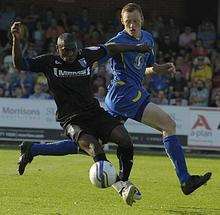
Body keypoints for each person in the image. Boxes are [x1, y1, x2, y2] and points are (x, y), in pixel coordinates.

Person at [16, 3, 211, 197]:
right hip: (124, 95)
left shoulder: (149, 39)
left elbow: (143, 68)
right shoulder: (119, 40)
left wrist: (157, 69)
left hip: (126, 96)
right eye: (128, 22)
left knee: (91, 145)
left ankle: (33, 149)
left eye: (135, 21)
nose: (132, 25)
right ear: (122, 22)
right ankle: (183, 179)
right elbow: (110, 50)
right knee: (168, 125)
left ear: (142, 19)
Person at [11, 22, 151, 206]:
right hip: (72, 120)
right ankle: (121, 188)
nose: (69, 55)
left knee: (124, 139)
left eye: (72, 50)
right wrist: (16, 40)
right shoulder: (49, 62)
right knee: (94, 148)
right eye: (65, 51)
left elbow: (112, 47)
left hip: (94, 113)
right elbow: (20, 64)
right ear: (57, 49)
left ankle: (124, 180)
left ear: (77, 48)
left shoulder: (86, 55)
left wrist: (137, 47)